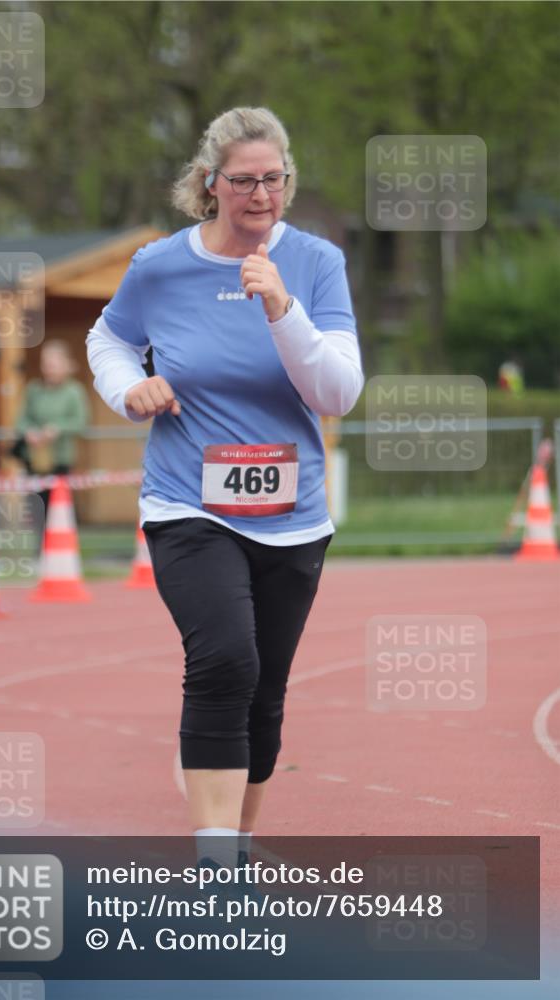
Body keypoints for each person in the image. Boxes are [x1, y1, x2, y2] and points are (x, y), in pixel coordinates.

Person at [86, 106, 364, 871]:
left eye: (273, 180)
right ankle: (212, 864)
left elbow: (337, 392)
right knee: (224, 662)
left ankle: (237, 844)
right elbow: (109, 338)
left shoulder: (313, 263)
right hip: (186, 502)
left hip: (291, 514)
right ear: (209, 185)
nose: (260, 195)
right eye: (243, 180)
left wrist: (282, 309)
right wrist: (127, 387)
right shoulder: (160, 266)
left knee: (264, 689)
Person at [14, 340, 89, 519]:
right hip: (34, 457)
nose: (49, 369)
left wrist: (57, 428)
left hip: (60, 458)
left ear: (65, 365)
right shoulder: (34, 389)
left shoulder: (74, 391)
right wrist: (29, 431)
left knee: (59, 510)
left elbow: (81, 422)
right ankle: (38, 546)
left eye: (53, 364)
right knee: (36, 510)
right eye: (46, 364)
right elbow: (21, 419)